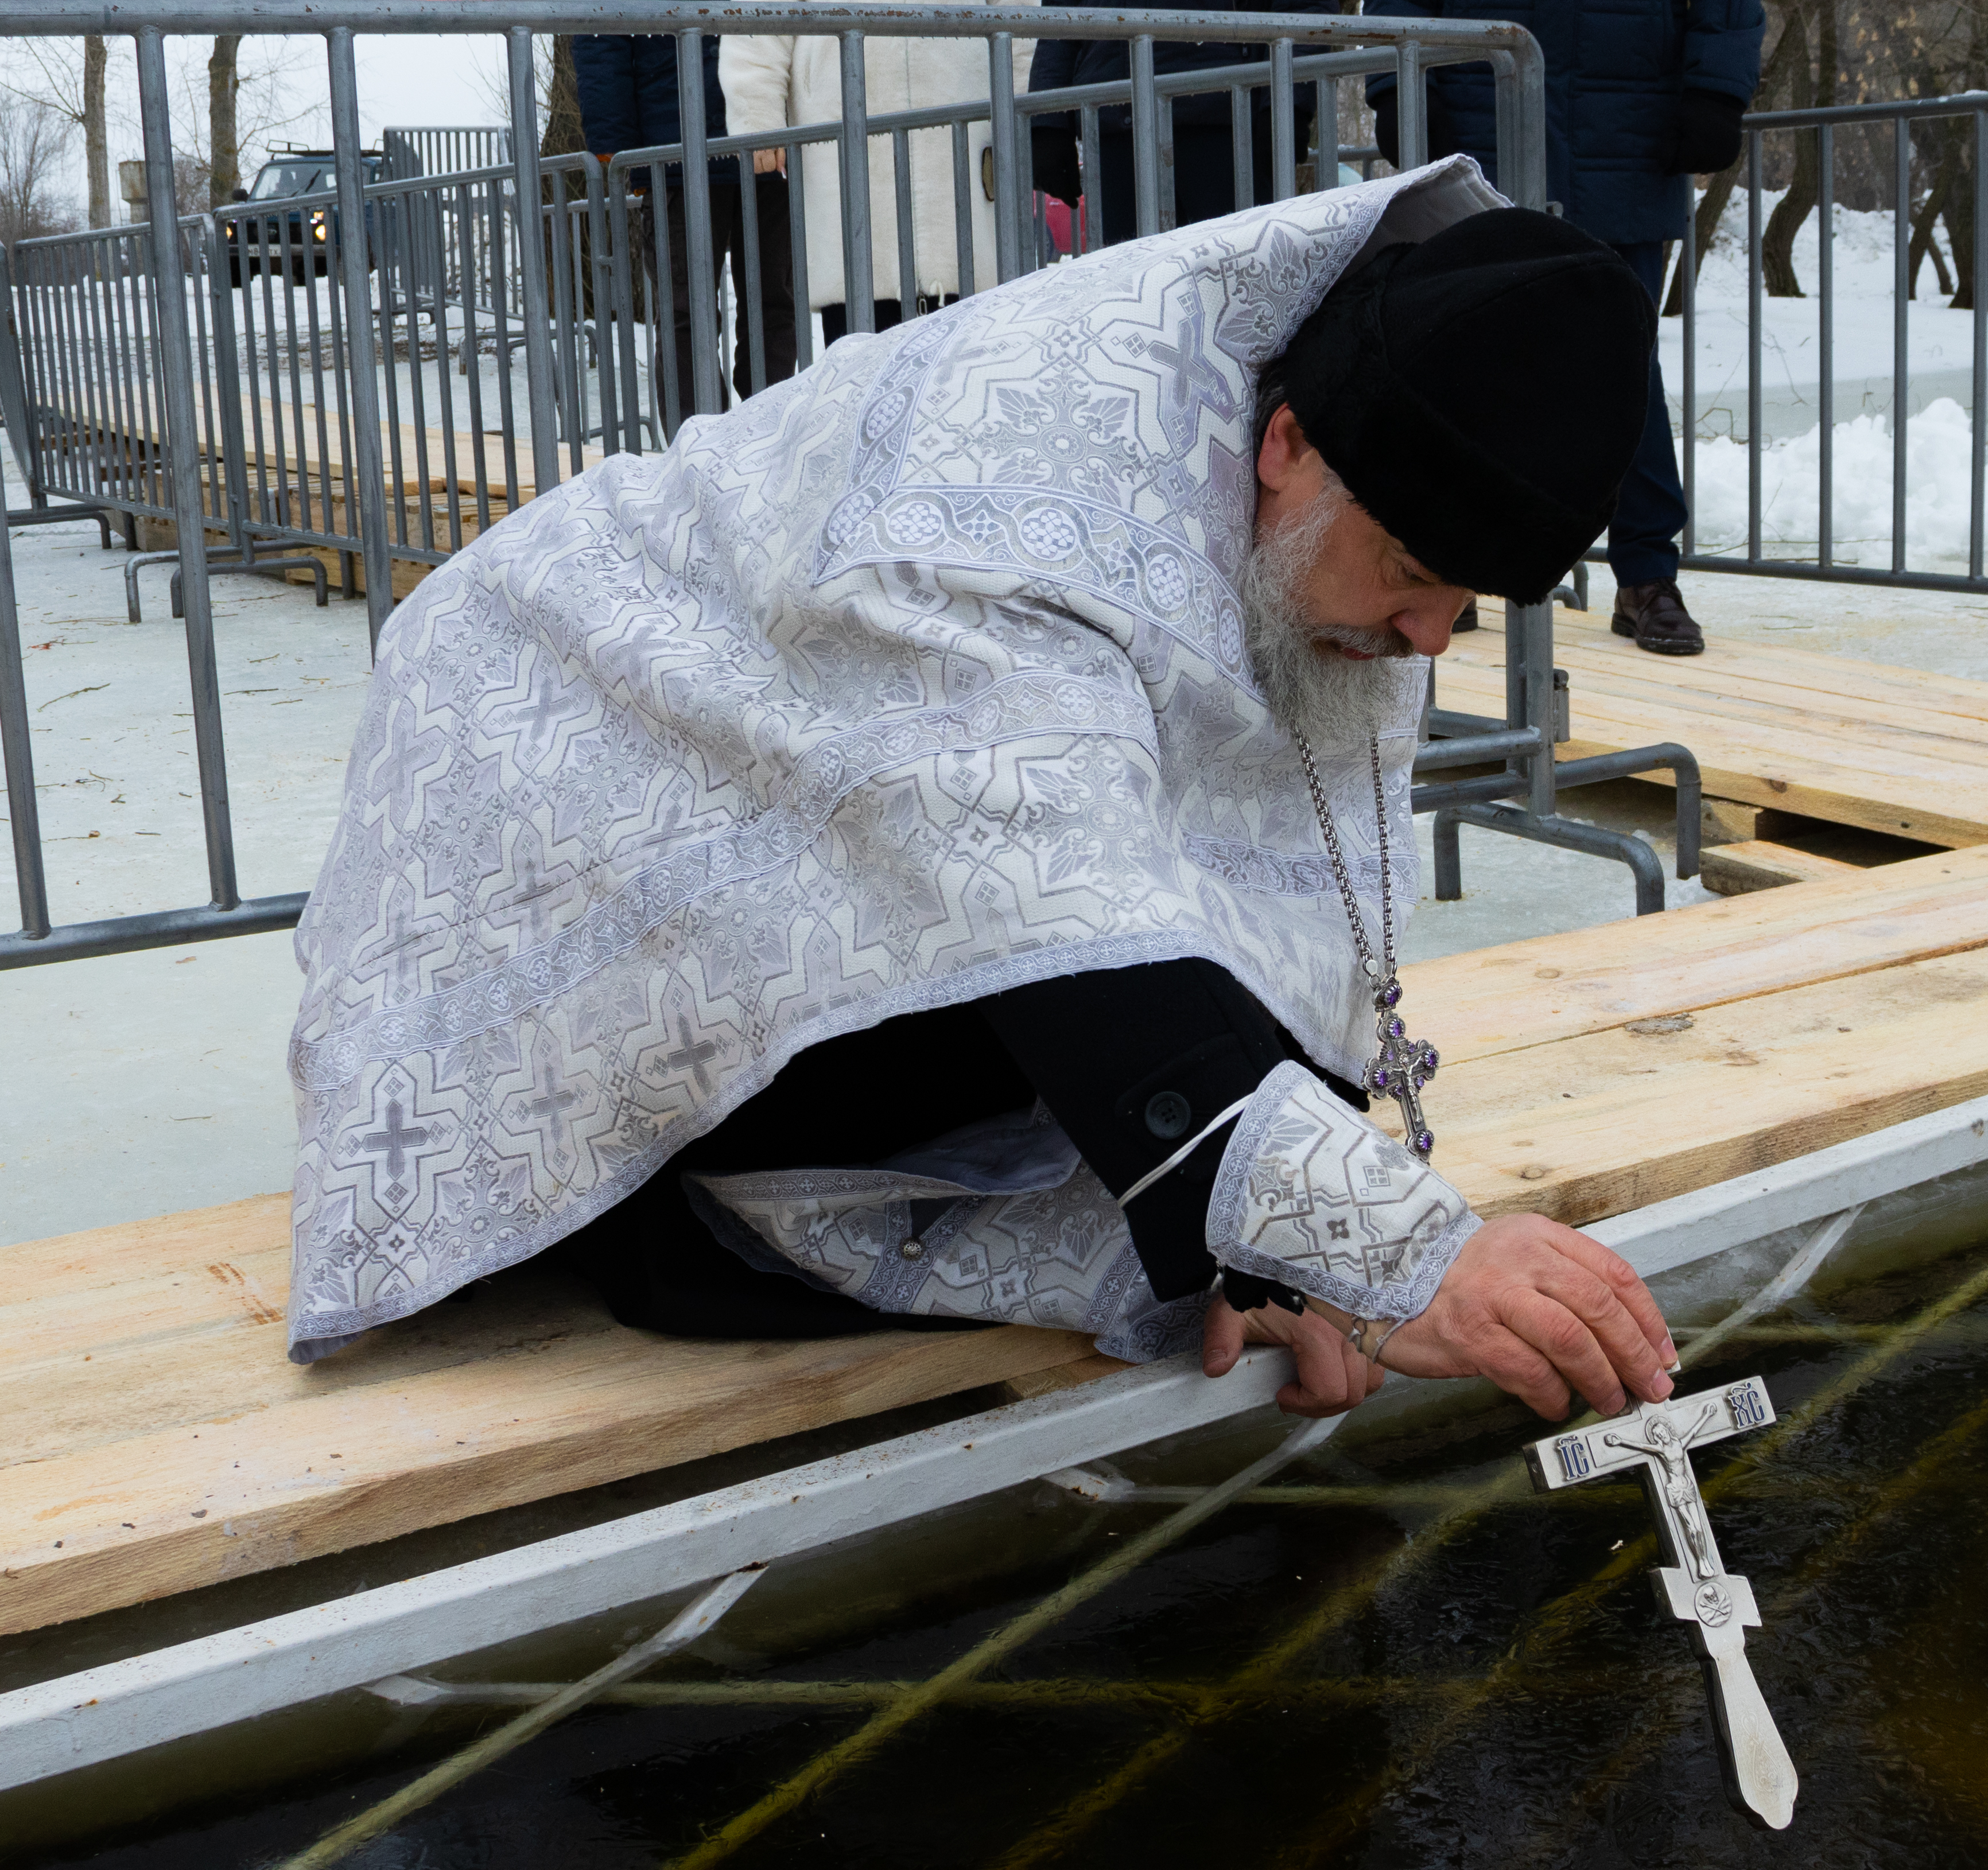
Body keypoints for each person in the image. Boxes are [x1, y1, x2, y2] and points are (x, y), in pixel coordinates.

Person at [284, 161, 1680, 1426]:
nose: (1430, 639)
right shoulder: (1009, 497)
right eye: (1414, 571)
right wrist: (1395, 1251)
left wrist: (1276, 1246)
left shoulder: (1325, 503)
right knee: (814, 1118)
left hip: (816, 735)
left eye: (1468, 602)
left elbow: (1247, 869)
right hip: (580, 727)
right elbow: (1039, 897)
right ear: (1289, 446)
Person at [1365, 0, 1762, 655]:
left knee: (1623, 368)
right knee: (1468, 360)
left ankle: (1647, 576)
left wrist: (1716, 89)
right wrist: (1396, 84)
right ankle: (1448, 566)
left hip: (1625, 129)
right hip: (1481, 106)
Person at [721, 7, 1036, 348]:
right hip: (840, 116)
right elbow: (758, 21)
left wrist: (1018, 108)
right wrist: (757, 116)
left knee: (966, 357)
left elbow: (1018, 14)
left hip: (961, 107)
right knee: (860, 350)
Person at [573, 32, 798, 426]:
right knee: (691, 310)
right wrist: (616, 146)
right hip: (679, 149)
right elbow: (601, 32)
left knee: (765, 302)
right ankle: (699, 445)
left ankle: (768, 431)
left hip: (760, 140)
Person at [1024, 0, 1316, 247]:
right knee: (1130, 292)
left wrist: (1288, 101)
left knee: (1238, 284)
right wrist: (1048, 121)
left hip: (1227, 123)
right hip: (1117, 123)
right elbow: (1061, 14)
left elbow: (1302, 6)